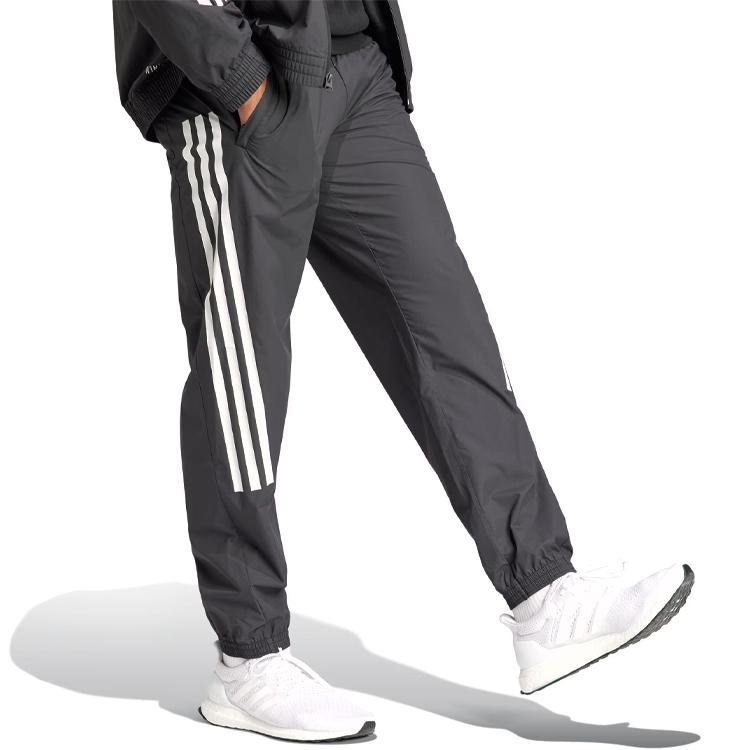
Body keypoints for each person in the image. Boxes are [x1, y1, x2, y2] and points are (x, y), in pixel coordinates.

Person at [112, 1, 693, 742]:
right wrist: (238, 78)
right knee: (244, 374)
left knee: (448, 330)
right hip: (236, 81)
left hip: (353, 63)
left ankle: (544, 591)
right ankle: (249, 657)